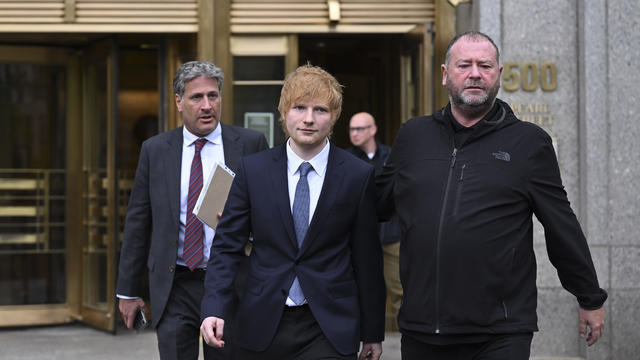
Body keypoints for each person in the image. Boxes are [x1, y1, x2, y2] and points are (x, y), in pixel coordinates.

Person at [376, 31, 607, 359]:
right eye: (464, 65)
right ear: (445, 75)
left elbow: (561, 224)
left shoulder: (528, 143)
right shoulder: (413, 136)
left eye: (484, 65)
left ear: (498, 75)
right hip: (423, 328)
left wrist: (590, 297)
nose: (474, 73)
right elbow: (377, 204)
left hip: (500, 330)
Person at [200, 64, 386, 360]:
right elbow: (226, 247)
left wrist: (373, 332)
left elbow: (367, 259)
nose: (309, 119)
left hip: (329, 325)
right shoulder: (254, 170)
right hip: (262, 321)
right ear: (284, 112)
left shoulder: (357, 175)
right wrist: (213, 308)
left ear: (334, 116)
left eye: (320, 110)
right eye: (299, 108)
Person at [116, 60, 268, 360]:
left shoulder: (250, 144)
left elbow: (271, 212)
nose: (207, 105)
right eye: (197, 97)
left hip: (231, 282)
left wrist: (248, 226)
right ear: (178, 101)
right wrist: (128, 290)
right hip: (176, 283)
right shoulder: (155, 150)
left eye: (213, 95)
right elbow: (138, 222)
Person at [346, 112, 403, 322]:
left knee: (399, 287)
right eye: (352, 129)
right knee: (361, 286)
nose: (355, 133)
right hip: (360, 235)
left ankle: (407, 336)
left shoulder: (390, 156)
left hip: (391, 233)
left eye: (360, 129)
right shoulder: (345, 158)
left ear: (373, 129)